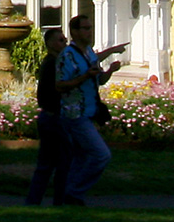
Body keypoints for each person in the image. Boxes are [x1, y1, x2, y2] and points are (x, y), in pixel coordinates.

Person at [55, 15, 127, 206]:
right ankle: (74, 193)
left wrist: (110, 69)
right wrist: (84, 77)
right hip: (74, 114)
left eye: (90, 27)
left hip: (88, 112)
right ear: (75, 32)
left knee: (81, 157)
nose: (89, 31)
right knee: (101, 154)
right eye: (85, 28)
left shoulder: (88, 52)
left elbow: (99, 79)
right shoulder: (67, 56)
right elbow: (60, 85)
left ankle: (67, 196)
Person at [26, 28, 72, 205]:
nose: (64, 43)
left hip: (50, 118)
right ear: (51, 43)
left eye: (65, 40)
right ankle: (57, 202)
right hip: (54, 118)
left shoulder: (52, 62)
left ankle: (35, 201)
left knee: (50, 164)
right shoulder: (53, 64)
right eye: (61, 40)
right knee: (61, 164)